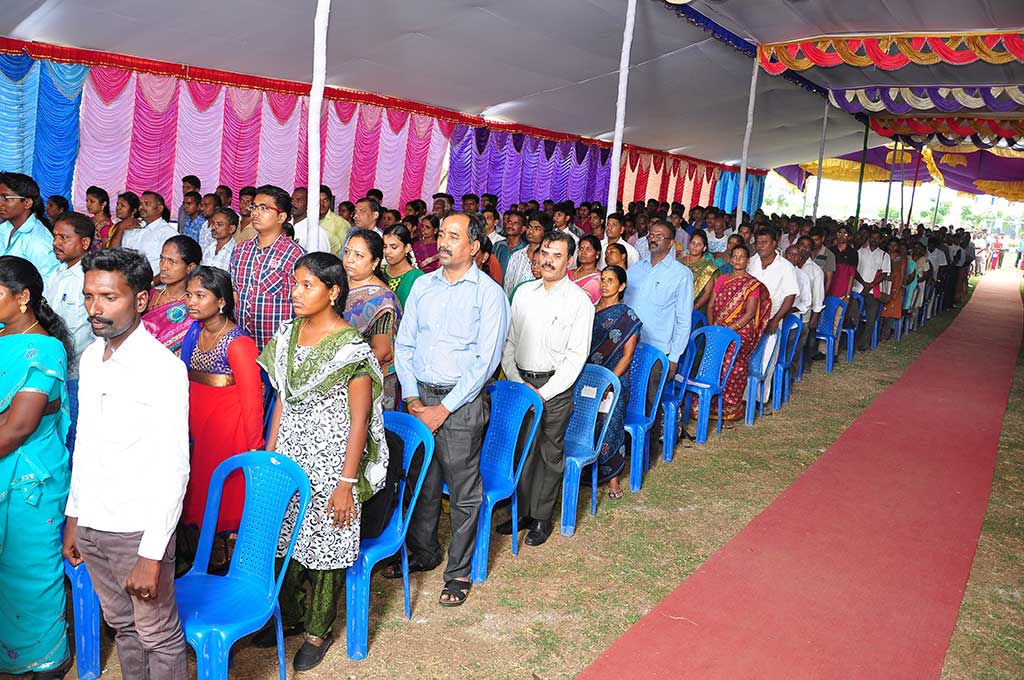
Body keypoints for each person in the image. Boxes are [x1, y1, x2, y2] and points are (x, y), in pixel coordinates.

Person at [257, 252, 389, 669]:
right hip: (291, 454)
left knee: (326, 543)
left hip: (332, 462)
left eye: (307, 286)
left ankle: (319, 629)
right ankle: (291, 613)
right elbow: (282, 399)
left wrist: (346, 483)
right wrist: (271, 457)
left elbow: (360, 420)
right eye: (295, 284)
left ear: (332, 292)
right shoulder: (287, 334)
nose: (296, 293)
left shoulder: (352, 348)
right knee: (285, 536)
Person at [63, 248, 190, 680]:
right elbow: (86, 446)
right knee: (122, 625)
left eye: (109, 297)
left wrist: (151, 554)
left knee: (158, 634)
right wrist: (75, 518)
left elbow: (175, 468)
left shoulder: (162, 368)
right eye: (89, 296)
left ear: (140, 300)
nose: (94, 308)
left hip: (136, 529)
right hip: (93, 523)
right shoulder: (90, 358)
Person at [393, 212, 509, 607]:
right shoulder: (423, 286)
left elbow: (485, 362)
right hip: (420, 397)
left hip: (461, 403)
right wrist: (412, 397)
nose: (442, 242)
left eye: (453, 236)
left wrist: (443, 409)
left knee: (463, 490)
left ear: (474, 246)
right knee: (422, 482)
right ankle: (424, 552)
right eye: (442, 234)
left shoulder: (488, 294)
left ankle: (458, 571)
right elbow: (405, 345)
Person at [0, 256, 74, 679]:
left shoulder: (44, 349)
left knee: (28, 569)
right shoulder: (2, 338)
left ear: (23, 297)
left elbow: (18, 427)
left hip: (30, 477)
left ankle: (48, 657)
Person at [500, 231, 593, 545]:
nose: (548, 260)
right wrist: (518, 383)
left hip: (554, 388)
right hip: (520, 384)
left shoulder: (579, 301)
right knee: (522, 449)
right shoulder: (524, 293)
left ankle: (541, 518)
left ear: (570, 260)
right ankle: (522, 512)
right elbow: (509, 343)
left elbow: (576, 357)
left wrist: (543, 393)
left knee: (549, 453)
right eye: (545, 253)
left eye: (557, 255)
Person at [179, 266, 263, 569]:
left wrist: (254, 446)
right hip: (196, 426)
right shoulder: (194, 332)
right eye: (189, 295)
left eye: (200, 295)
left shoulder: (239, 343)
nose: (192, 302)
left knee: (219, 493)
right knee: (195, 489)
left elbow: (252, 399)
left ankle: (223, 560)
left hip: (226, 430)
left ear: (222, 301)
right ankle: (200, 556)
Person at [624, 220, 693, 445]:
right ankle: (626, 445)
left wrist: (674, 357)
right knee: (628, 395)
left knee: (649, 399)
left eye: (660, 236)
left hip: (657, 350)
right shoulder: (635, 270)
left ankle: (649, 449)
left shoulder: (681, 274)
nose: (653, 239)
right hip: (630, 346)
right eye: (651, 235)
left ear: (671, 242)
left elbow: (683, 320)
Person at [587, 265, 641, 498]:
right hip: (588, 376)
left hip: (615, 380)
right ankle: (584, 471)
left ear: (621, 286)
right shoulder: (590, 311)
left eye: (610, 280)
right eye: (603, 279)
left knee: (610, 422)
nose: (605, 284)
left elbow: (627, 356)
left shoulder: (627, 317)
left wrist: (609, 383)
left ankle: (613, 480)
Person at [230, 184, 306, 350]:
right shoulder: (240, 250)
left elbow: (303, 305)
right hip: (242, 345)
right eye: (254, 207)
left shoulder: (295, 255)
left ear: (281, 217)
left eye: (264, 208)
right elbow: (235, 293)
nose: (255, 213)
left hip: (276, 348)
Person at [44, 212, 96, 453]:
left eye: (64, 238)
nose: (56, 243)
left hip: (78, 375)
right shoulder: (56, 273)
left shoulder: (90, 279)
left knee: (74, 435)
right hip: (55, 369)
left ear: (84, 242)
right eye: (55, 236)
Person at [705, 245, 771, 420]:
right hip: (718, 329)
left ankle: (730, 407)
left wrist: (727, 330)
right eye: (734, 256)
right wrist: (712, 329)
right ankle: (708, 403)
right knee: (711, 359)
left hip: (740, 331)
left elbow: (750, 313)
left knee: (731, 358)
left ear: (747, 260)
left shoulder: (752, 284)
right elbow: (711, 305)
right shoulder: (722, 279)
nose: (737, 260)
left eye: (741, 256)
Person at [343, 229, 402, 410]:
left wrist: (341, 370)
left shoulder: (382, 300)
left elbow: (382, 351)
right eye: (347, 252)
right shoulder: (339, 285)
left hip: (368, 380)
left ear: (375, 262)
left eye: (359, 255)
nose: (349, 259)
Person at [747, 227, 799, 410]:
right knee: (747, 359)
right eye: (758, 243)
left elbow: (790, 296)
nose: (760, 246)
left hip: (771, 319)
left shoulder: (785, 267)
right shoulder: (751, 262)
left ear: (774, 243)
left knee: (766, 360)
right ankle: (744, 398)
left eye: (764, 243)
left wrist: (776, 319)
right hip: (749, 319)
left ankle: (759, 400)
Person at [143, 235, 201, 354]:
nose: (163, 267)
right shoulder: (149, 296)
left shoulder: (191, 307)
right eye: (162, 259)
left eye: (172, 262)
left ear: (190, 267)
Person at [0, 172, 60, 278]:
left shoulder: (38, 241)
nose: (0, 203)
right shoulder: (4, 228)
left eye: (5, 198)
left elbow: (48, 282)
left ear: (27, 203)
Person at [852, 229, 890, 351]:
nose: (874, 240)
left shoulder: (884, 255)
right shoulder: (860, 252)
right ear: (869, 238)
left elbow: (884, 273)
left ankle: (864, 344)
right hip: (858, 289)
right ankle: (851, 341)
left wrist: (871, 285)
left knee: (871, 319)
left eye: (877, 238)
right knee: (852, 316)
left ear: (880, 240)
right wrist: (864, 284)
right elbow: (854, 270)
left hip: (873, 292)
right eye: (872, 238)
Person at [123, 191, 177, 275]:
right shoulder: (133, 226)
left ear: (159, 208)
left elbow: (172, 266)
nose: (141, 207)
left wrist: (153, 282)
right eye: (140, 204)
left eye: (146, 204)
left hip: (152, 282)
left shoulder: (168, 233)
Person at [503, 211, 548, 294]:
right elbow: (507, 285)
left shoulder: (547, 259)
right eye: (529, 227)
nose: (531, 231)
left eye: (537, 229)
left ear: (545, 232)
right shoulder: (516, 255)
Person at [382, 223, 424, 309]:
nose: (387, 252)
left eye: (393, 247)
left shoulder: (417, 277)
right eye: (385, 247)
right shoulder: (380, 270)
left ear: (407, 248)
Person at [679, 228, 719, 318]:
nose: (695, 246)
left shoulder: (708, 268)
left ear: (704, 248)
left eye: (699, 244)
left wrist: (693, 308)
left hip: (696, 309)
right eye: (693, 243)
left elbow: (707, 293)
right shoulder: (678, 262)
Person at [290, 187, 332, 253]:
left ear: (309, 203)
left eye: (298, 200)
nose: (293, 203)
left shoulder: (317, 232)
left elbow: (321, 258)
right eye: (292, 199)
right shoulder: (285, 224)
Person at [880, 238, 907, 339]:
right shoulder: (884, 256)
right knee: (882, 310)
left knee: (890, 312)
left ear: (898, 247)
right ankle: (878, 333)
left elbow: (902, 276)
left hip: (895, 286)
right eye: (891, 245)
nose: (892, 247)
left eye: (895, 245)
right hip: (884, 285)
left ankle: (885, 334)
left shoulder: (902, 259)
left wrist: (897, 290)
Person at [570, 235, 603, 303]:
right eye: (581, 248)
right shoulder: (568, 274)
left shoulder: (601, 278)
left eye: (588, 249)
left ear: (597, 254)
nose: (583, 252)